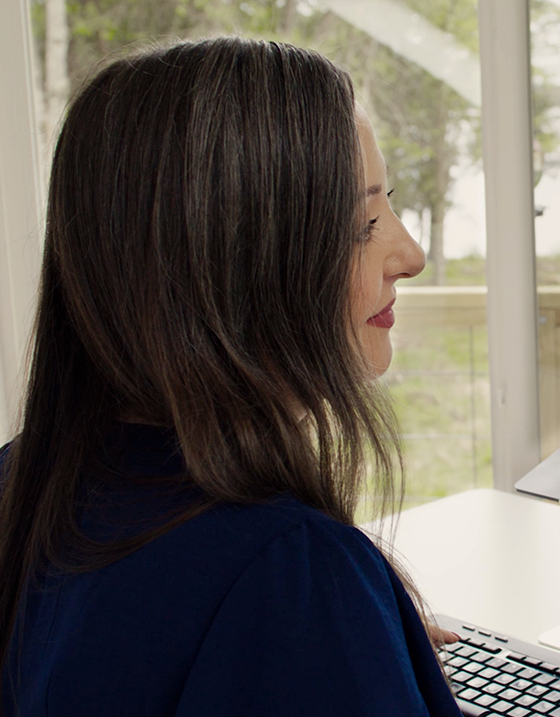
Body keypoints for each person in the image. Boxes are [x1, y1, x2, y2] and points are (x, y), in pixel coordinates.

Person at [0, 37, 464, 716]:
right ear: (243, 266)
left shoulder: (22, 486)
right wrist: (324, 626)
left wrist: (358, 650)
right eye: (362, 222)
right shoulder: (285, 571)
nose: (411, 254)